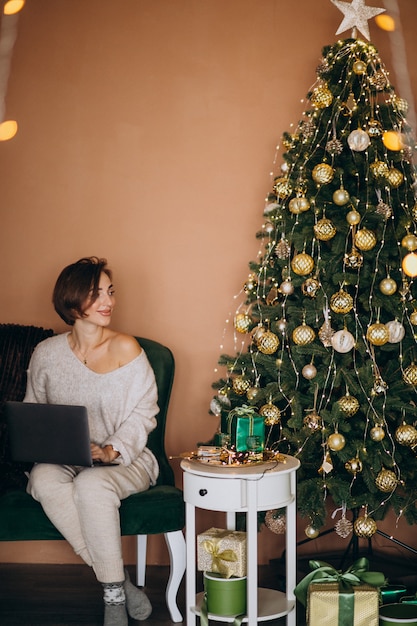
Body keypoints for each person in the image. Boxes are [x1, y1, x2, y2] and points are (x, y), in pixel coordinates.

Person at [25, 256, 159, 626]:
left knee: (92, 483)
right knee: (42, 479)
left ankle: (113, 600)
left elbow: (144, 411)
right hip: (66, 457)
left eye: (110, 292)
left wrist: (111, 449)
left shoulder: (128, 349)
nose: (108, 301)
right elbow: (34, 412)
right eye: (96, 293)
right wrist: (45, 448)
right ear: (72, 302)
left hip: (127, 460)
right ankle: (118, 582)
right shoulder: (46, 354)